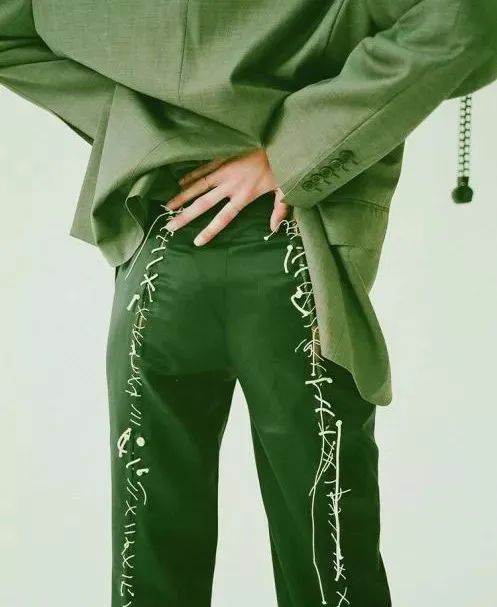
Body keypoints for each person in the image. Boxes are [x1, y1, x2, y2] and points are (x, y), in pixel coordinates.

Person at [2, 1, 497, 605]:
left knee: (151, 566)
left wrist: (147, 132)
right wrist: (292, 148)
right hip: (296, 253)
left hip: (163, 253)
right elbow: (462, 20)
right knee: (330, 568)